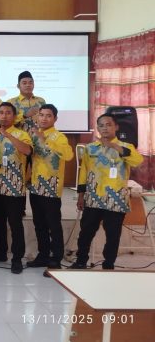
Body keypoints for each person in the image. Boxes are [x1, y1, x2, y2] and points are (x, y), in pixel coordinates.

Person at [70, 113, 143, 270]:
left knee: (113, 235)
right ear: (97, 128)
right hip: (93, 198)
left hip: (115, 199)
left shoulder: (126, 147)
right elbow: (84, 173)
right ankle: (81, 261)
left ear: (116, 127)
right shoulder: (90, 148)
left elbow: (137, 161)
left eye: (108, 125)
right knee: (86, 232)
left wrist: (113, 146)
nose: (104, 128)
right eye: (101, 125)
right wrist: (81, 195)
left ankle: (108, 264)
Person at [26, 104, 73, 273]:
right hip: (35, 186)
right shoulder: (32, 135)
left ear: (55, 119)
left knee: (53, 225)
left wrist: (45, 139)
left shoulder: (59, 137)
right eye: (41, 115)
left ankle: (56, 259)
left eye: (48, 116)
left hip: (51, 188)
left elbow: (68, 155)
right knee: (39, 224)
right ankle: (43, 255)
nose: (44, 119)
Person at [0, 102, 33, 274]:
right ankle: (0, 252)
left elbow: (27, 151)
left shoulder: (22, 134)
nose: (4, 116)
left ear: (14, 116)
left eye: (8, 113)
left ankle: (17, 259)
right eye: (1, 113)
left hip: (15, 188)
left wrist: (8, 135)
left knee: (15, 224)